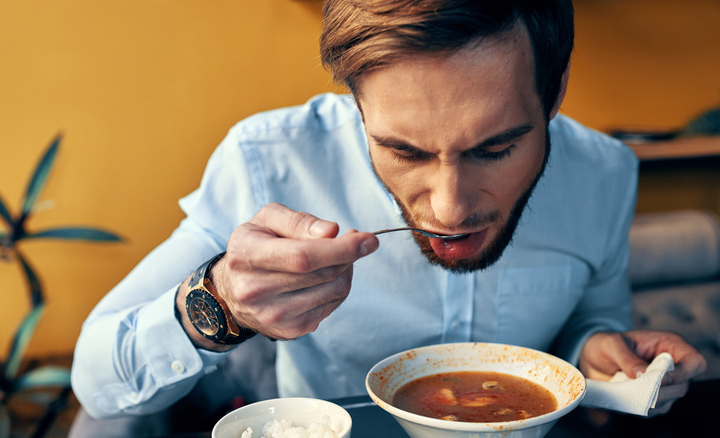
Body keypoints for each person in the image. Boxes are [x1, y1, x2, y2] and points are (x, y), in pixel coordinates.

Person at [71, 0, 706, 432]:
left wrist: (596, 347)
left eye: (496, 148)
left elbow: (595, 317)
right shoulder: (268, 159)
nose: (451, 207)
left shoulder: (606, 173)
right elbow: (98, 381)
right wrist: (220, 305)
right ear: (357, 103)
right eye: (404, 150)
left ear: (556, 89)